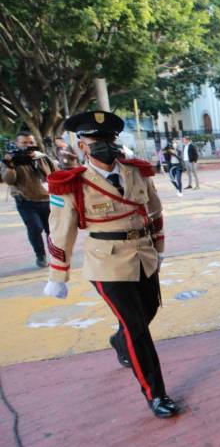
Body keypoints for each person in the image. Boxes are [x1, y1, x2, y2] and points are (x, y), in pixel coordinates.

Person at [42, 111, 177, 418]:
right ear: (82, 146)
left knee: (149, 311)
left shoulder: (137, 173)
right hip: (107, 263)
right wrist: (57, 275)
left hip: (143, 256)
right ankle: (156, 394)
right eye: (95, 140)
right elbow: (61, 231)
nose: (104, 145)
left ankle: (119, 341)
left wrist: (159, 248)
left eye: (108, 139)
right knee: (137, 329)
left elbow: (154, 212)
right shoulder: (72, 185)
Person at [2, 131, 58, 267]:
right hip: (26, 201)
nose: (28, 145)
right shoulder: (11, 159)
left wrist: (37, 160)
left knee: (53, 231)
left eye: (31, 142)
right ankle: (40, 256)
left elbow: (54, 174)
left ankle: (56, 255)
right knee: (35, 228)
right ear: (17, 144)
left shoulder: (42, 157)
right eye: (24, 143)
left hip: (47, 199)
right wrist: (10, 166)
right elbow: (9, 180)